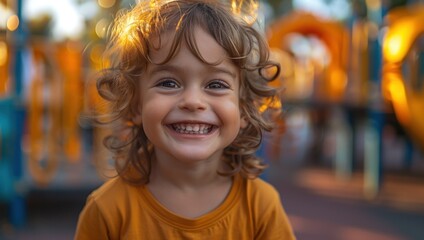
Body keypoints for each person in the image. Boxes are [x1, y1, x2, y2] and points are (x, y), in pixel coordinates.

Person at [74, 0, 296, 239]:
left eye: (216, 84)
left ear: (243, 109)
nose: (192, 101)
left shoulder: (261, 207)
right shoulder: (108, 210)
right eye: (168, 83)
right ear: (136, 104)